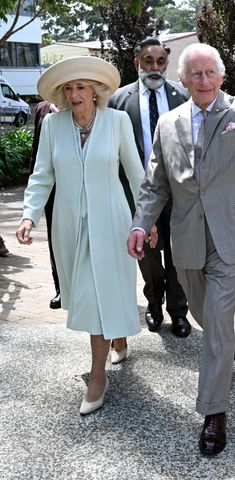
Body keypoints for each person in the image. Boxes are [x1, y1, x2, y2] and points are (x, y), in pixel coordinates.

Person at [127, 29, 235, 455]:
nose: (203, 80)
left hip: (232, 234)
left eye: (210, 72)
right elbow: (155, 183)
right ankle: (225, 348)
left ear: (221, 77)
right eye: (195, 74)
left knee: (218, 320)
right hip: (186, 236)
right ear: (183, 80)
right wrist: (140, 223)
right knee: (206, 314)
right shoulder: (168, 124)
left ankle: (213, 413)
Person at [16, 56, 148, 416]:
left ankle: (97, 376)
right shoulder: (53, 126)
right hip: (70, 225)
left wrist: (146, 220)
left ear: (95, 92)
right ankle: (117, 337)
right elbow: (42, 175)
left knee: (97, 291)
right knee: (92, 295)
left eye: (81, 87)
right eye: (69, 88)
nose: (74, 94)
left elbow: (137, 174)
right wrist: (29, 216)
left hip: (112, 223)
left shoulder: (117, 121)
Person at [109, 37, 191, 346]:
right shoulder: (118, 100)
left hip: (179, 193)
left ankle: (179, 311)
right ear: (136, 63)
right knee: (148, 256)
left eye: (160, 62)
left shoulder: (183, 95)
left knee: (179, 255)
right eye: (148, 61)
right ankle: (154, 303)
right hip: (139, 193)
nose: (155, 68)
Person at [30, 100, 61, 309]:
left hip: (79, 183)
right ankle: (61, 288)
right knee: (54, 237)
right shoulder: (42, 109)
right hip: (51, 186)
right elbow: (36, 147)